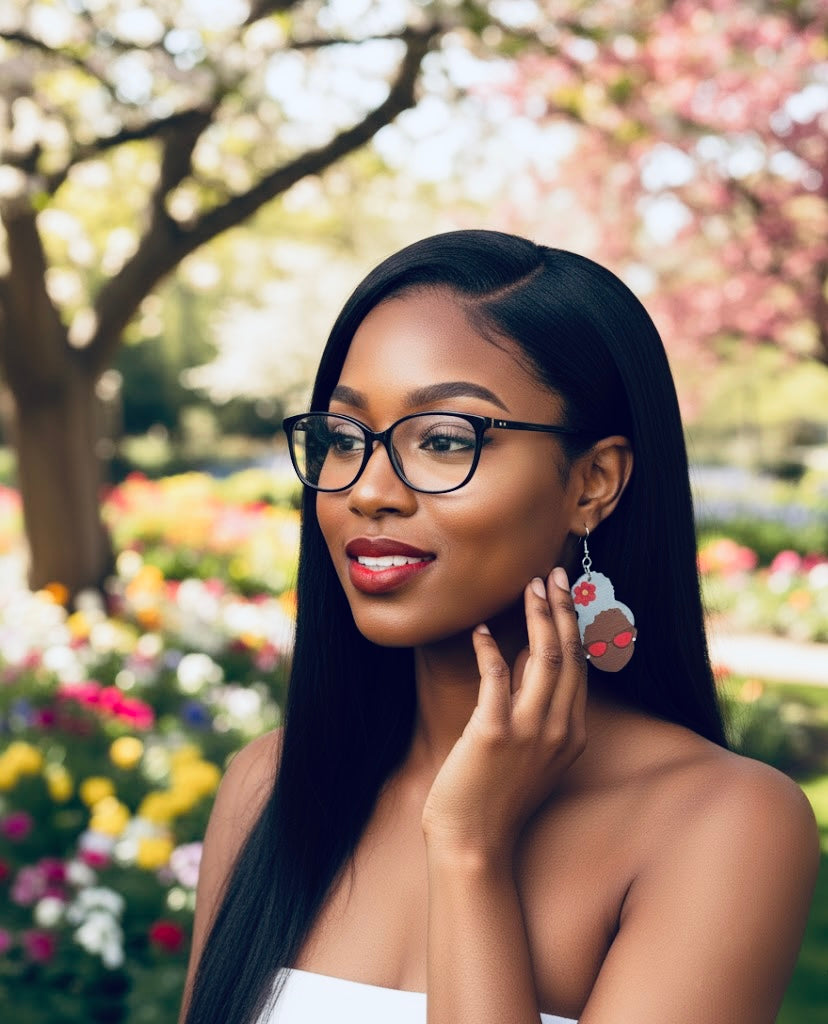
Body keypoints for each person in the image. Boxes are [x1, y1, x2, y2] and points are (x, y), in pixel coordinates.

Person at [180, 230, 819, 1024]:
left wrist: (468, 849)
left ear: (593, 483)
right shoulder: (268, 787)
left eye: (445, 439)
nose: (370, 489)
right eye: (344, 438)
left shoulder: (725, 824)